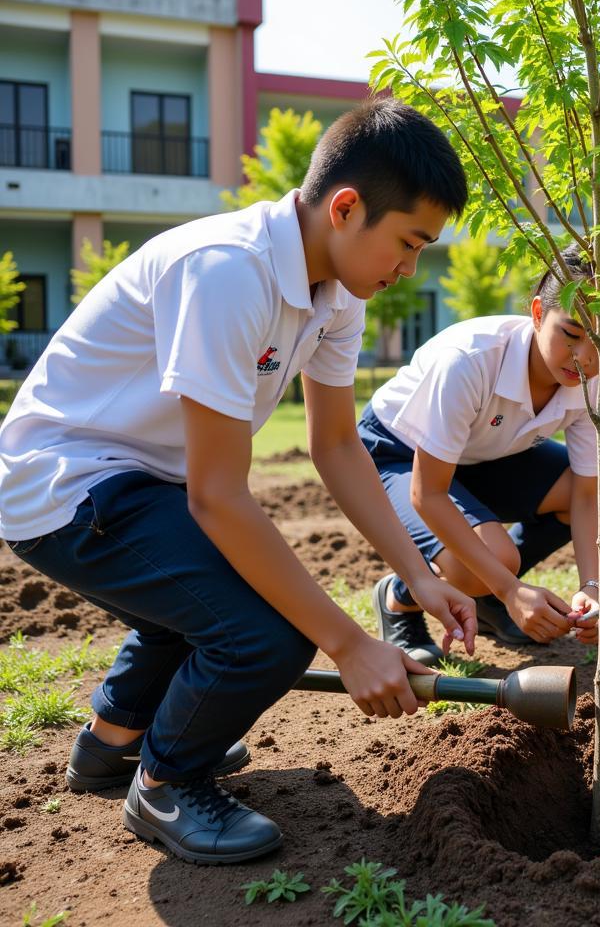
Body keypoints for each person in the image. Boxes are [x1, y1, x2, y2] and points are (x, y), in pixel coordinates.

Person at [0, 98, 476, 864]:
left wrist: (417, 576)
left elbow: (336, 449)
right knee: (268, 635)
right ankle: (165, 784)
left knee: (198, 603)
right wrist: (350, 644)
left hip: (137, 480)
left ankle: (110, 744)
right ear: (347, 208)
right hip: (62, 483)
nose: (409, 269)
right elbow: (218, 497)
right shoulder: (229, 271)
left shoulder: (337, 293)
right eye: (409, 243)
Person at [358, 245, 600, 663]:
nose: (588, 359)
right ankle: (400, 598)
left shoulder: (598, 380)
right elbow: (429, 494)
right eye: (572, 334)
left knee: (577, 497)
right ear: (537, 314)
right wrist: (509, 587)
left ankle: (488, 597)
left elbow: (590, 495)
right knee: (493, 561)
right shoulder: (469, 362)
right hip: (397, 453)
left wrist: (592, 586)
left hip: (484, 456)